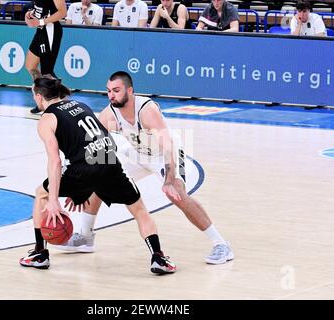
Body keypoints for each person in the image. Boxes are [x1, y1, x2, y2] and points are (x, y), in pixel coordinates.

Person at [57, 71, 234, 265]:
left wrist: (169, 179)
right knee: (100, 178)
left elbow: (168, 147)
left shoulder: (146, 110)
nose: (111, 95)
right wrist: (83, 186)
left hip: (166, 155)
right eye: (108, 91)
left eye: (116, 90)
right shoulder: (108, 114)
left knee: (179, 195)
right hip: (138, 154)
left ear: (130, 91)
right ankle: (85, 236)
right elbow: (94, 149)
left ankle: (221, 244)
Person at [19, 75, 177, 275]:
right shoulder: (80, 105)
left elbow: (55, 161)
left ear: (40, 96)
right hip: (109, 162)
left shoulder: (46, 119)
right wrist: (85, 187)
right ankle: (158, 257)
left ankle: (39, 253)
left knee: (41, 193)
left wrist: (53, 200)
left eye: (34, 95)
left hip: (84, 168)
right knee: (139, 210)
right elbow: (105, 139)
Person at [25, 0, 66, 114]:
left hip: (50, 30)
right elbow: (42, 8)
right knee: (30, 65)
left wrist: (41, 21)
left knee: (47, 72)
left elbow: (62, 12)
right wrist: (30, 13)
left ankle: (63, 99)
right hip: (41, 31)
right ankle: (43, 99)